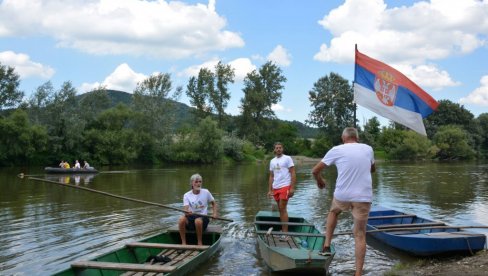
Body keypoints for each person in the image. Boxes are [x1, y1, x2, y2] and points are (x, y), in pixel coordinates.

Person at [312, 127, 375, 276]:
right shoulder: (368, 149)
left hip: (343, 195)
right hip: (363, 197)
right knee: (360, 234)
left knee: (334, 211)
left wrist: (320, 181)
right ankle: (358, 274)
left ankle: (326, 245)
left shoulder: (336, 149)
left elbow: (315, 170)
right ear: (357, 138)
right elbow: (372, 169)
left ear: (343, 138)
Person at [178, 174, 217, 246]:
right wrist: (187, 213)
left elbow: (214, 203)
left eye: (200, 182)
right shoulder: (187, 195)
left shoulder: (206, 192)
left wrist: (214, 214)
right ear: (191, 183)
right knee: (181, 219)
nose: (198, 183)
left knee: (198, 220)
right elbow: (185, 210)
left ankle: (199, 242)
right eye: (196, 182)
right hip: (191, 217)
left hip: (203, 218)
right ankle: (183, 243)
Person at [268, 142, 296, 241]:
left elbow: (293, 172)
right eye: (277, 148)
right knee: (280, 209)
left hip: (285, 186)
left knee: (282, 208)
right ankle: (283, 231)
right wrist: (270, 190)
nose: (278, 149)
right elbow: (271, 176)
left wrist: (292, 188)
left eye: (280, 147)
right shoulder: (272, 161)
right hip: (276, 187)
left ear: (282, 149)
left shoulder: (287, 158)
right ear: (274, 150)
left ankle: (285, 234)